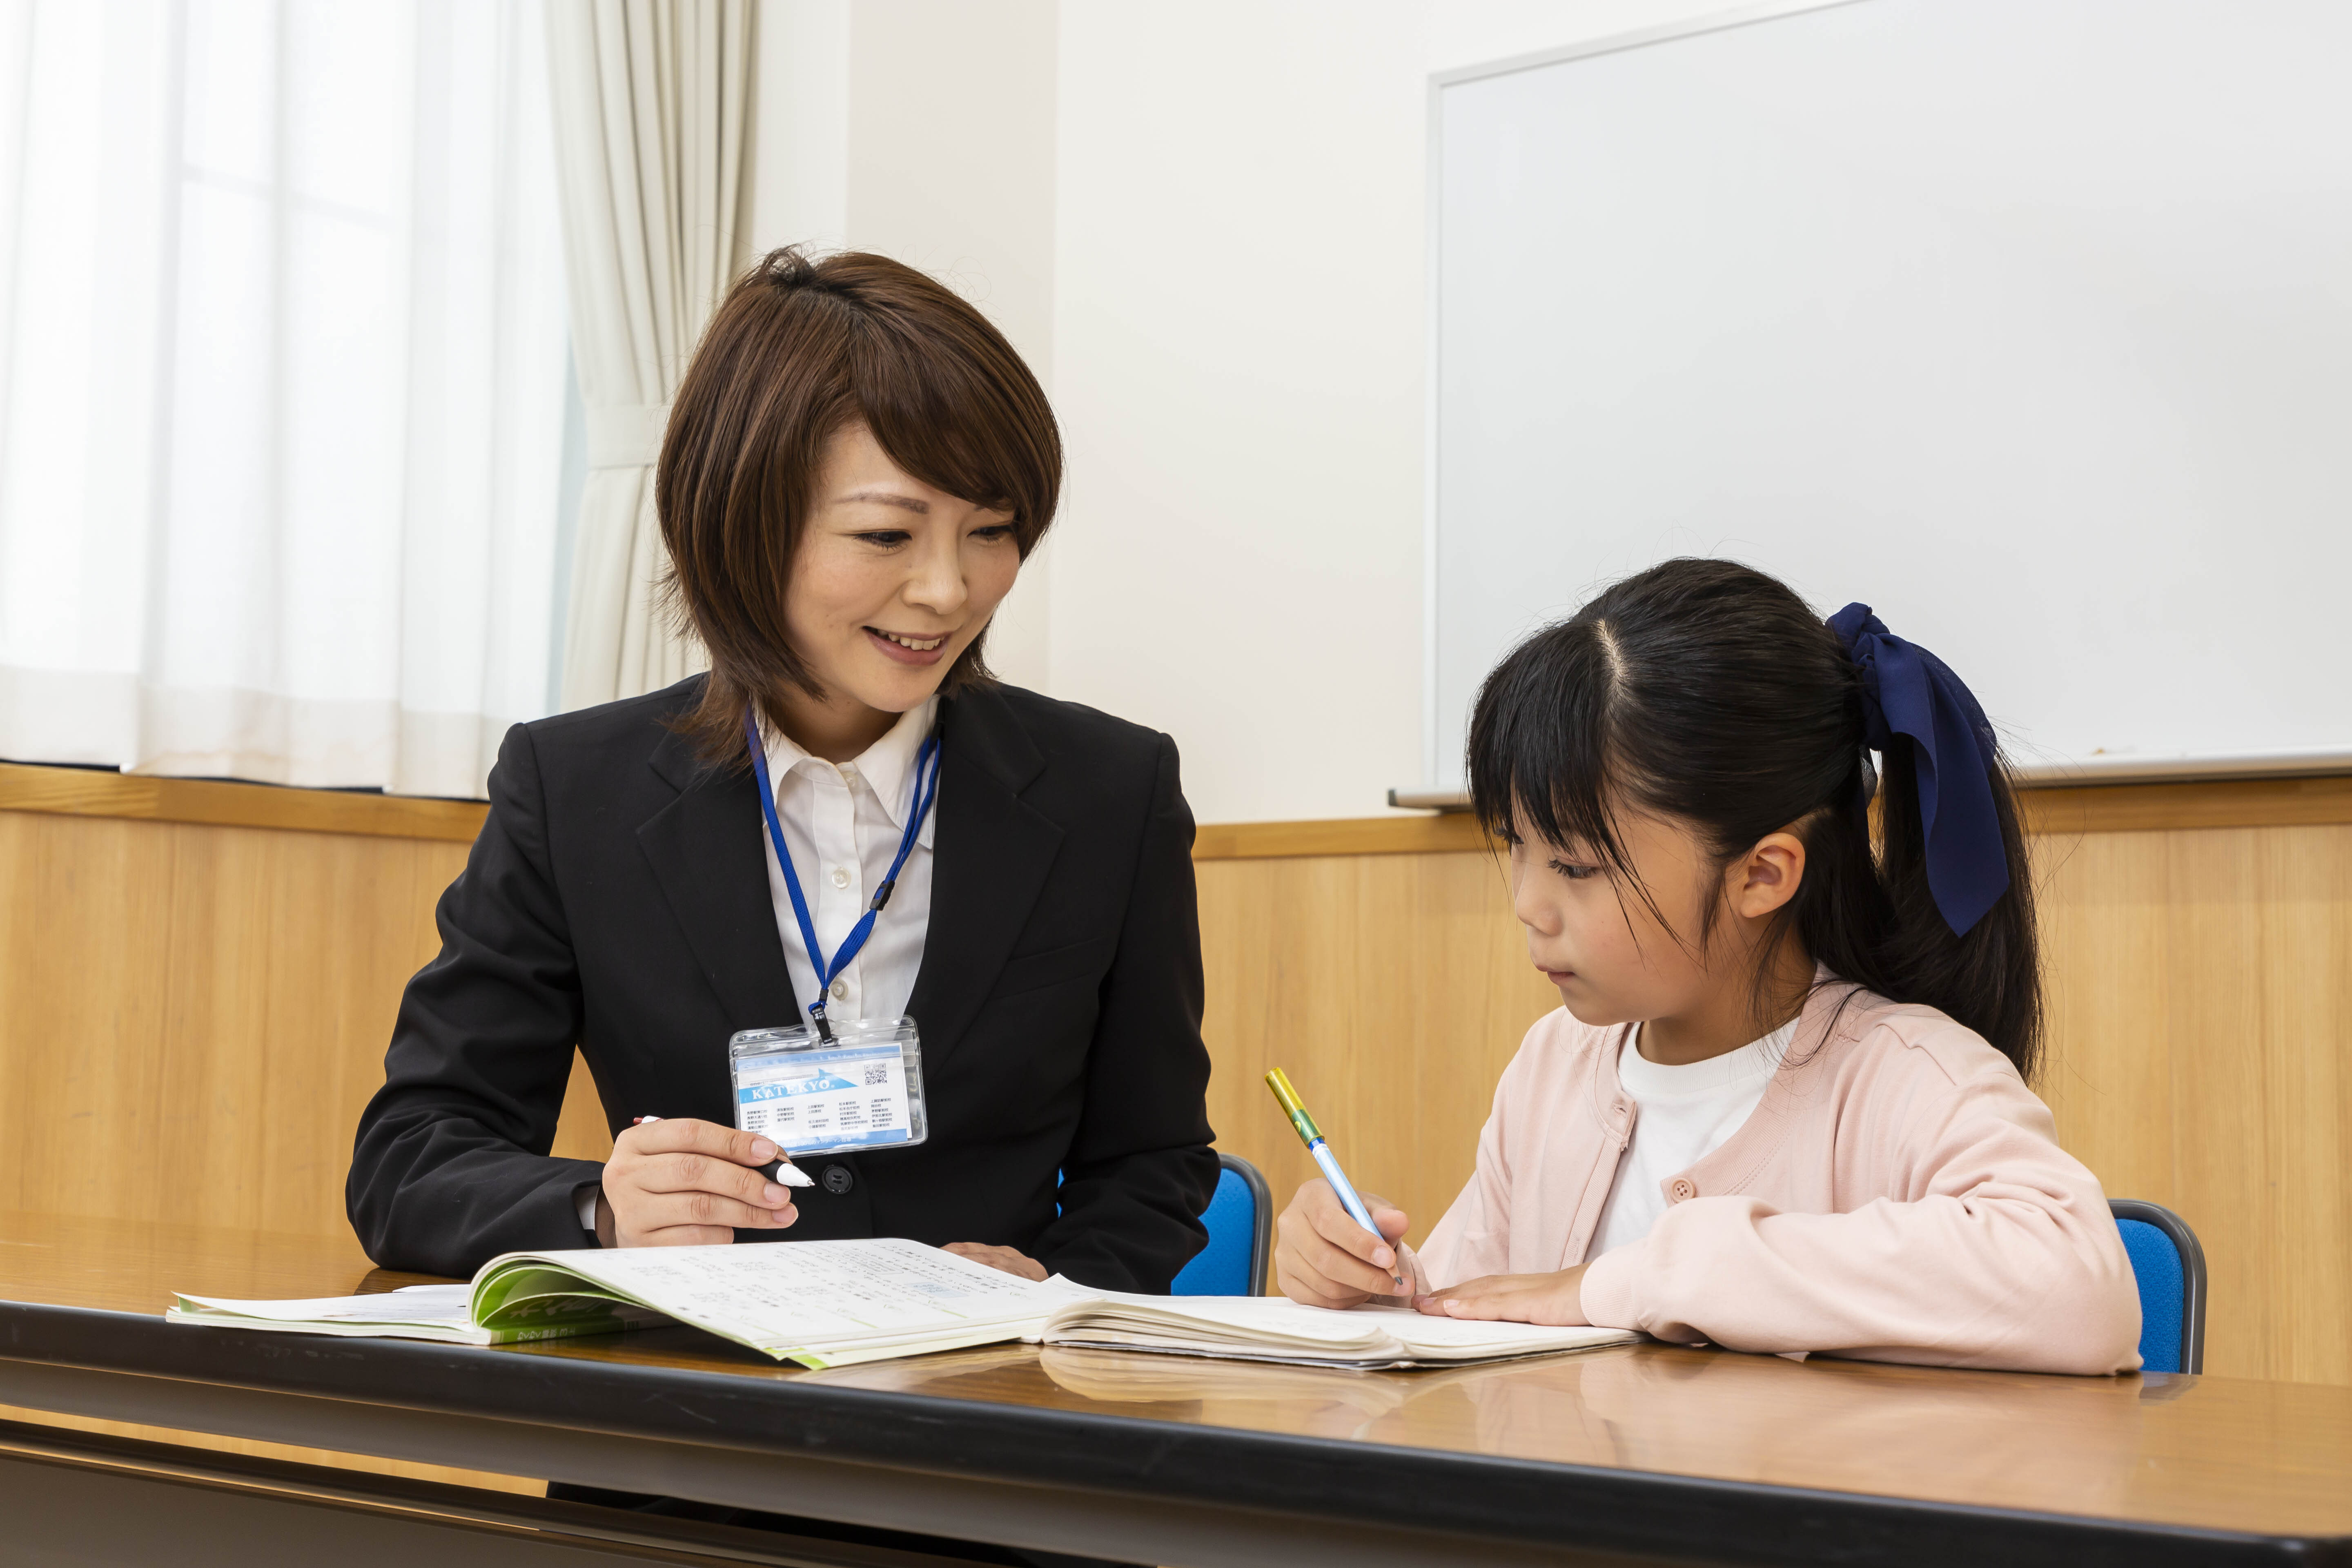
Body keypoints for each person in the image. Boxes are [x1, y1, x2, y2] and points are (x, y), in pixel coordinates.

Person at [349, 247, 1217, 1295]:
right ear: (746, 523)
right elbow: (412, 1161)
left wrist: (1054, 1286)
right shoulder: (573, 788)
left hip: (986, 1423)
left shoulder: (1110, 792)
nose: (948, 588)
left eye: (991, 531)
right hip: (683, 1430)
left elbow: (1153, 1164)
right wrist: (602, 1208)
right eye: (886, 533)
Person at [1274, 557, 2142, 1375]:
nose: (1529, 905)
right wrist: (1363, 1285)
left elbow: (2081, 1290)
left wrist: (1645, 1278)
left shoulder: (1904, 1077)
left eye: (1575, 867)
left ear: (1762, 875)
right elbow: (1468, 1314)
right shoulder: (1553, 1069)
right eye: (1517, 847)